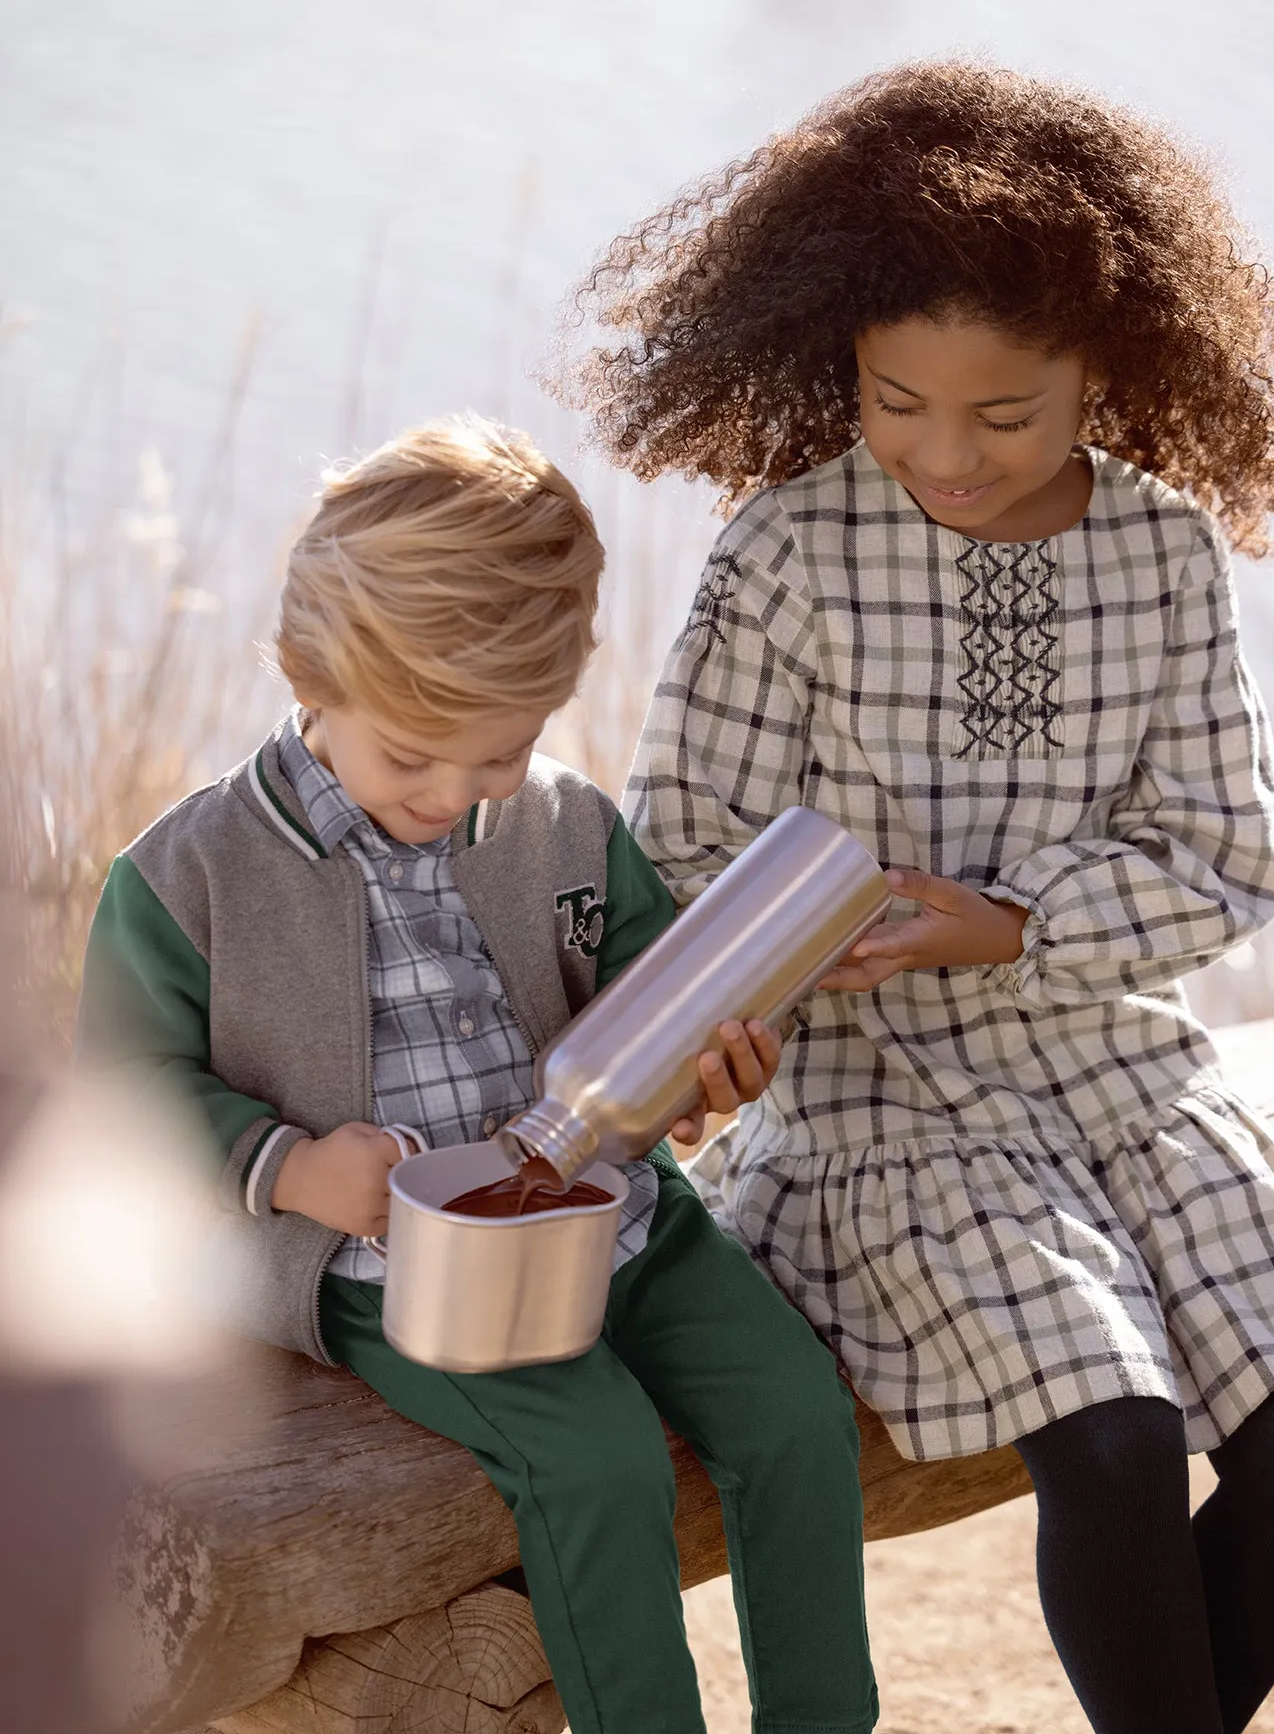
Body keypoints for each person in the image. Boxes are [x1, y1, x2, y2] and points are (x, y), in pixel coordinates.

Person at [557, 62, 1274, 1734]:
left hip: (1124, 1074)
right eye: (895, 400)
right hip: (886, 1106)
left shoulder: (1166, 556)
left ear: (1111, 368)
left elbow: (1231, 859)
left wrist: (1019, 923)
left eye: (1004, 415)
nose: (943, 455)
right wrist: (766, 990)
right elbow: (686, 853)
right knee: (1109, 1437)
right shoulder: (789, 555)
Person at [76, 416, 878, 1734]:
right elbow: (123, 1093)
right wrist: (286, 1167)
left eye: (498, 752)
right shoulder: (187, 876)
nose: (455, 790)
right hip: (406, 1272)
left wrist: (714, 1067)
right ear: (307, 674)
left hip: (623, 1222)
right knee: (602, 1460)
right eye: (411, 756)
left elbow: (656, 998)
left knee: (797, 1413)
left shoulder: (566, 822)